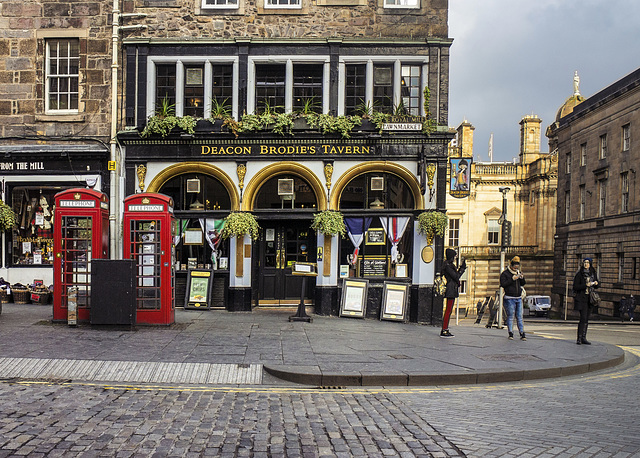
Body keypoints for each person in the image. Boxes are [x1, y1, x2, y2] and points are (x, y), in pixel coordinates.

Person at [573, 258, 599, 345]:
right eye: (584, 262)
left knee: (587, 319)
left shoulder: (593, 273)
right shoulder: (579, 274)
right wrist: (585, 285)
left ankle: (584, 337)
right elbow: (575, 287)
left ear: (590, 264)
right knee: (583, 318)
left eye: (587, 263)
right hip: (582, 299)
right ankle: (579, 338)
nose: (586, 264)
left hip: (590, 299)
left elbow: (597, 285)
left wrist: (596, 283)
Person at [440, 248, 466, 338]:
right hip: (450, 289)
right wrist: (462, 269)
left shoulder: (449, 265)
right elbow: (456, 276)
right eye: (454, 256)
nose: (455, 258)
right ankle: (444, 330)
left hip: (452, 288)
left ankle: (445, 328)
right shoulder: (448, 266)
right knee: (448, 310)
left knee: (449, 310)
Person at [499, 256, 527, 341]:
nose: (516, 267)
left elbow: (523, 284)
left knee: (519, 316)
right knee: (510, 316)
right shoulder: (505, 274)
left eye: (517, 265)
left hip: (518, 297)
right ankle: (510, 333)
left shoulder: (518, 273)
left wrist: (521, 278)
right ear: (511, 265)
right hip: (509, 298)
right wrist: (512, 279)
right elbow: (503, 284)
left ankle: (522, 333)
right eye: (515, 265)